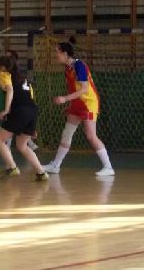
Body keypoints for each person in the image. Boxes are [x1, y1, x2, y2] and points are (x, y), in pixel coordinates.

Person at [42, 37, 114, 177]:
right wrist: (71, 104)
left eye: (57, 52)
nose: (56, 55)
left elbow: (84, 89)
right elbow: (74, 88)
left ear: (65, 53)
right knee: (67, 133)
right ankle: (55, 165)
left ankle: (108, 167)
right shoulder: (67, 68)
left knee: (91, 136)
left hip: (88, 103)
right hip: (77, 103)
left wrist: (64, 99)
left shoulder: (79, 65)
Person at [0, 55, 48, 181]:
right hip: (32, 111)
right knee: (22, 145)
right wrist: (31, 126)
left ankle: (12, 167)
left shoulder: (4, 75)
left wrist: (6, 110)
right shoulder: (24, 79)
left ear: (3, 68)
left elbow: (10, 90)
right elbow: (29, 96)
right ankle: (41, 173)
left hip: (20, 111)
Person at [1, 49, 38, 151]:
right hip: (29, 107)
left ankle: (7, 148)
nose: (6, 58)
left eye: (8, 57)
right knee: (21, 143)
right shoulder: (18, 74)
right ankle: (30, 141)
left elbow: (10, 89)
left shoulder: (8, 74)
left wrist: (7, 110)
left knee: (1, 137)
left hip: (21, 106)